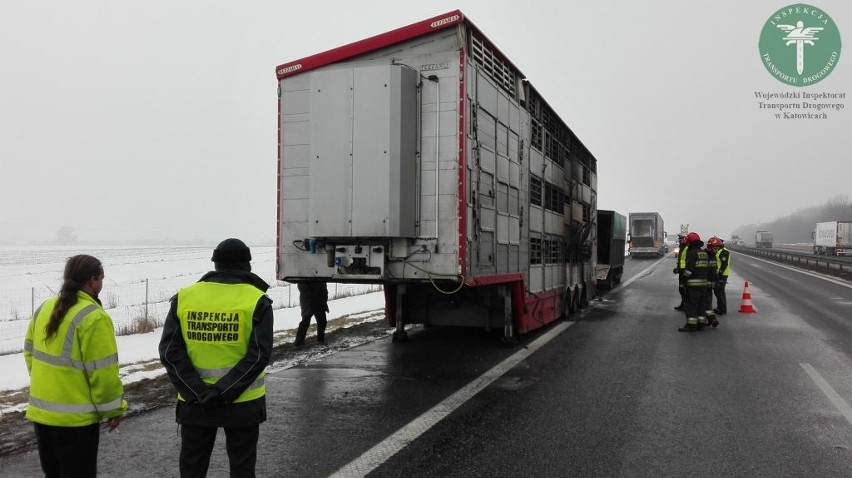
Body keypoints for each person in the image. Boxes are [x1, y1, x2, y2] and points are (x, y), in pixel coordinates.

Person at [159, 238, 273, 478]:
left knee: (192, 468)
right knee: (242, 469)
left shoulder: (185, 297)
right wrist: (222, 391)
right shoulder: (256, 300)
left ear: (216, 264)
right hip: (242, 403)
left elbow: (170, 352)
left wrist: (197, 390)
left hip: (195, 402)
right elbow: (258, 356)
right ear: (247, 265)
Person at [24, 254, 127, 478]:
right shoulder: (93, 317)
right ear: (92, 280)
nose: (102, 283)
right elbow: (103, 373)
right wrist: (113, 409)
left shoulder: (45, 308)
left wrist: (48, 385)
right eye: (101, 278)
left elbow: (30, 353)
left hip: (42, 417)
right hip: (75, 423)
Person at [677, 232, 712, 332]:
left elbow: (689, 270)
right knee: (701, 304)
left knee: (691, 305)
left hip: (693, 285)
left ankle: (691, 326)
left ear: (690, 242)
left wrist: (683, 281)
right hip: (703, 284)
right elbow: (707, 269)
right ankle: (700, 324)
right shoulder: (704, 253)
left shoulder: (692, 253)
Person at [294, 281, 329, 346]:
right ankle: (298, 342)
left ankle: (320, 339)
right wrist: (311, 294)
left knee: (322, 320)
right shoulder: (305, 274)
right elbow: (302, 285)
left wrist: (324, 295)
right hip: (308, 299)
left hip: (319, 298)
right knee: (306, 321)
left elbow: (323, 284)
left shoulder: (320, 274)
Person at [708, 236, 731, 316]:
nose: (714, 247)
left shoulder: (724, 252)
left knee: (720, 292)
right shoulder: (720, 251)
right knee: (718, 291)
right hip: (719, 274)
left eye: (715, 246)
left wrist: (719, 274)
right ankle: (720, 308)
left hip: (722, 275)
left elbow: (724, 264)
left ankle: (722, 309)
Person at [673, 234, 688, 311]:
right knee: (682, 289)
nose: (680, 241)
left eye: (681, 240)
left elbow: (688, 261)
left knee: (683, 289)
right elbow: (680, 260)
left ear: (685, 240)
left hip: (686, 272)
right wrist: (677, 269)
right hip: (682, 271)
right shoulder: (682, 247)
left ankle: (685, 306)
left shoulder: (687, 248)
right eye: (679, 240)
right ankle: (684, 305)